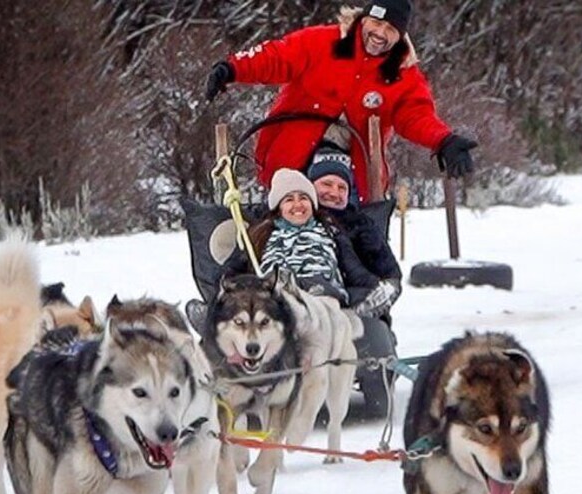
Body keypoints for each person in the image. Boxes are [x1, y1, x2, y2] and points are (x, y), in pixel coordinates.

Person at [205, 0, 478, 202]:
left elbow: (416, 114)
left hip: (356, 171)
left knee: (353, 240)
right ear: (363, 19)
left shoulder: (403, 72)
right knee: (288, 220)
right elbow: (277, 57)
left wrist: (444, 140)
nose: (381, 33)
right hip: (293, 154)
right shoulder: (321, 41)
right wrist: (232, 69)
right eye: (377, 23)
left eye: (391, 30)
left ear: (401, 36)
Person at [224, 168, 379, 305]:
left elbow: (354, 270)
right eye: (289, 200)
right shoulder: (262, 234)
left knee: (323, 289)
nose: (298, 204)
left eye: (304, 198)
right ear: (279, 208)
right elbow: (234, 271)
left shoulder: (330, 232)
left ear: (312, 204)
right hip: (274, 301)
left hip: (323, 297)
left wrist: (375, 287)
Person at [307, 145, 401, 319]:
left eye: (342, 188)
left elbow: (390, 275)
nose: (334, 192)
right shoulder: (295, 216)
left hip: (353, 305)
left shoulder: (361, 225)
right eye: (326, 184)